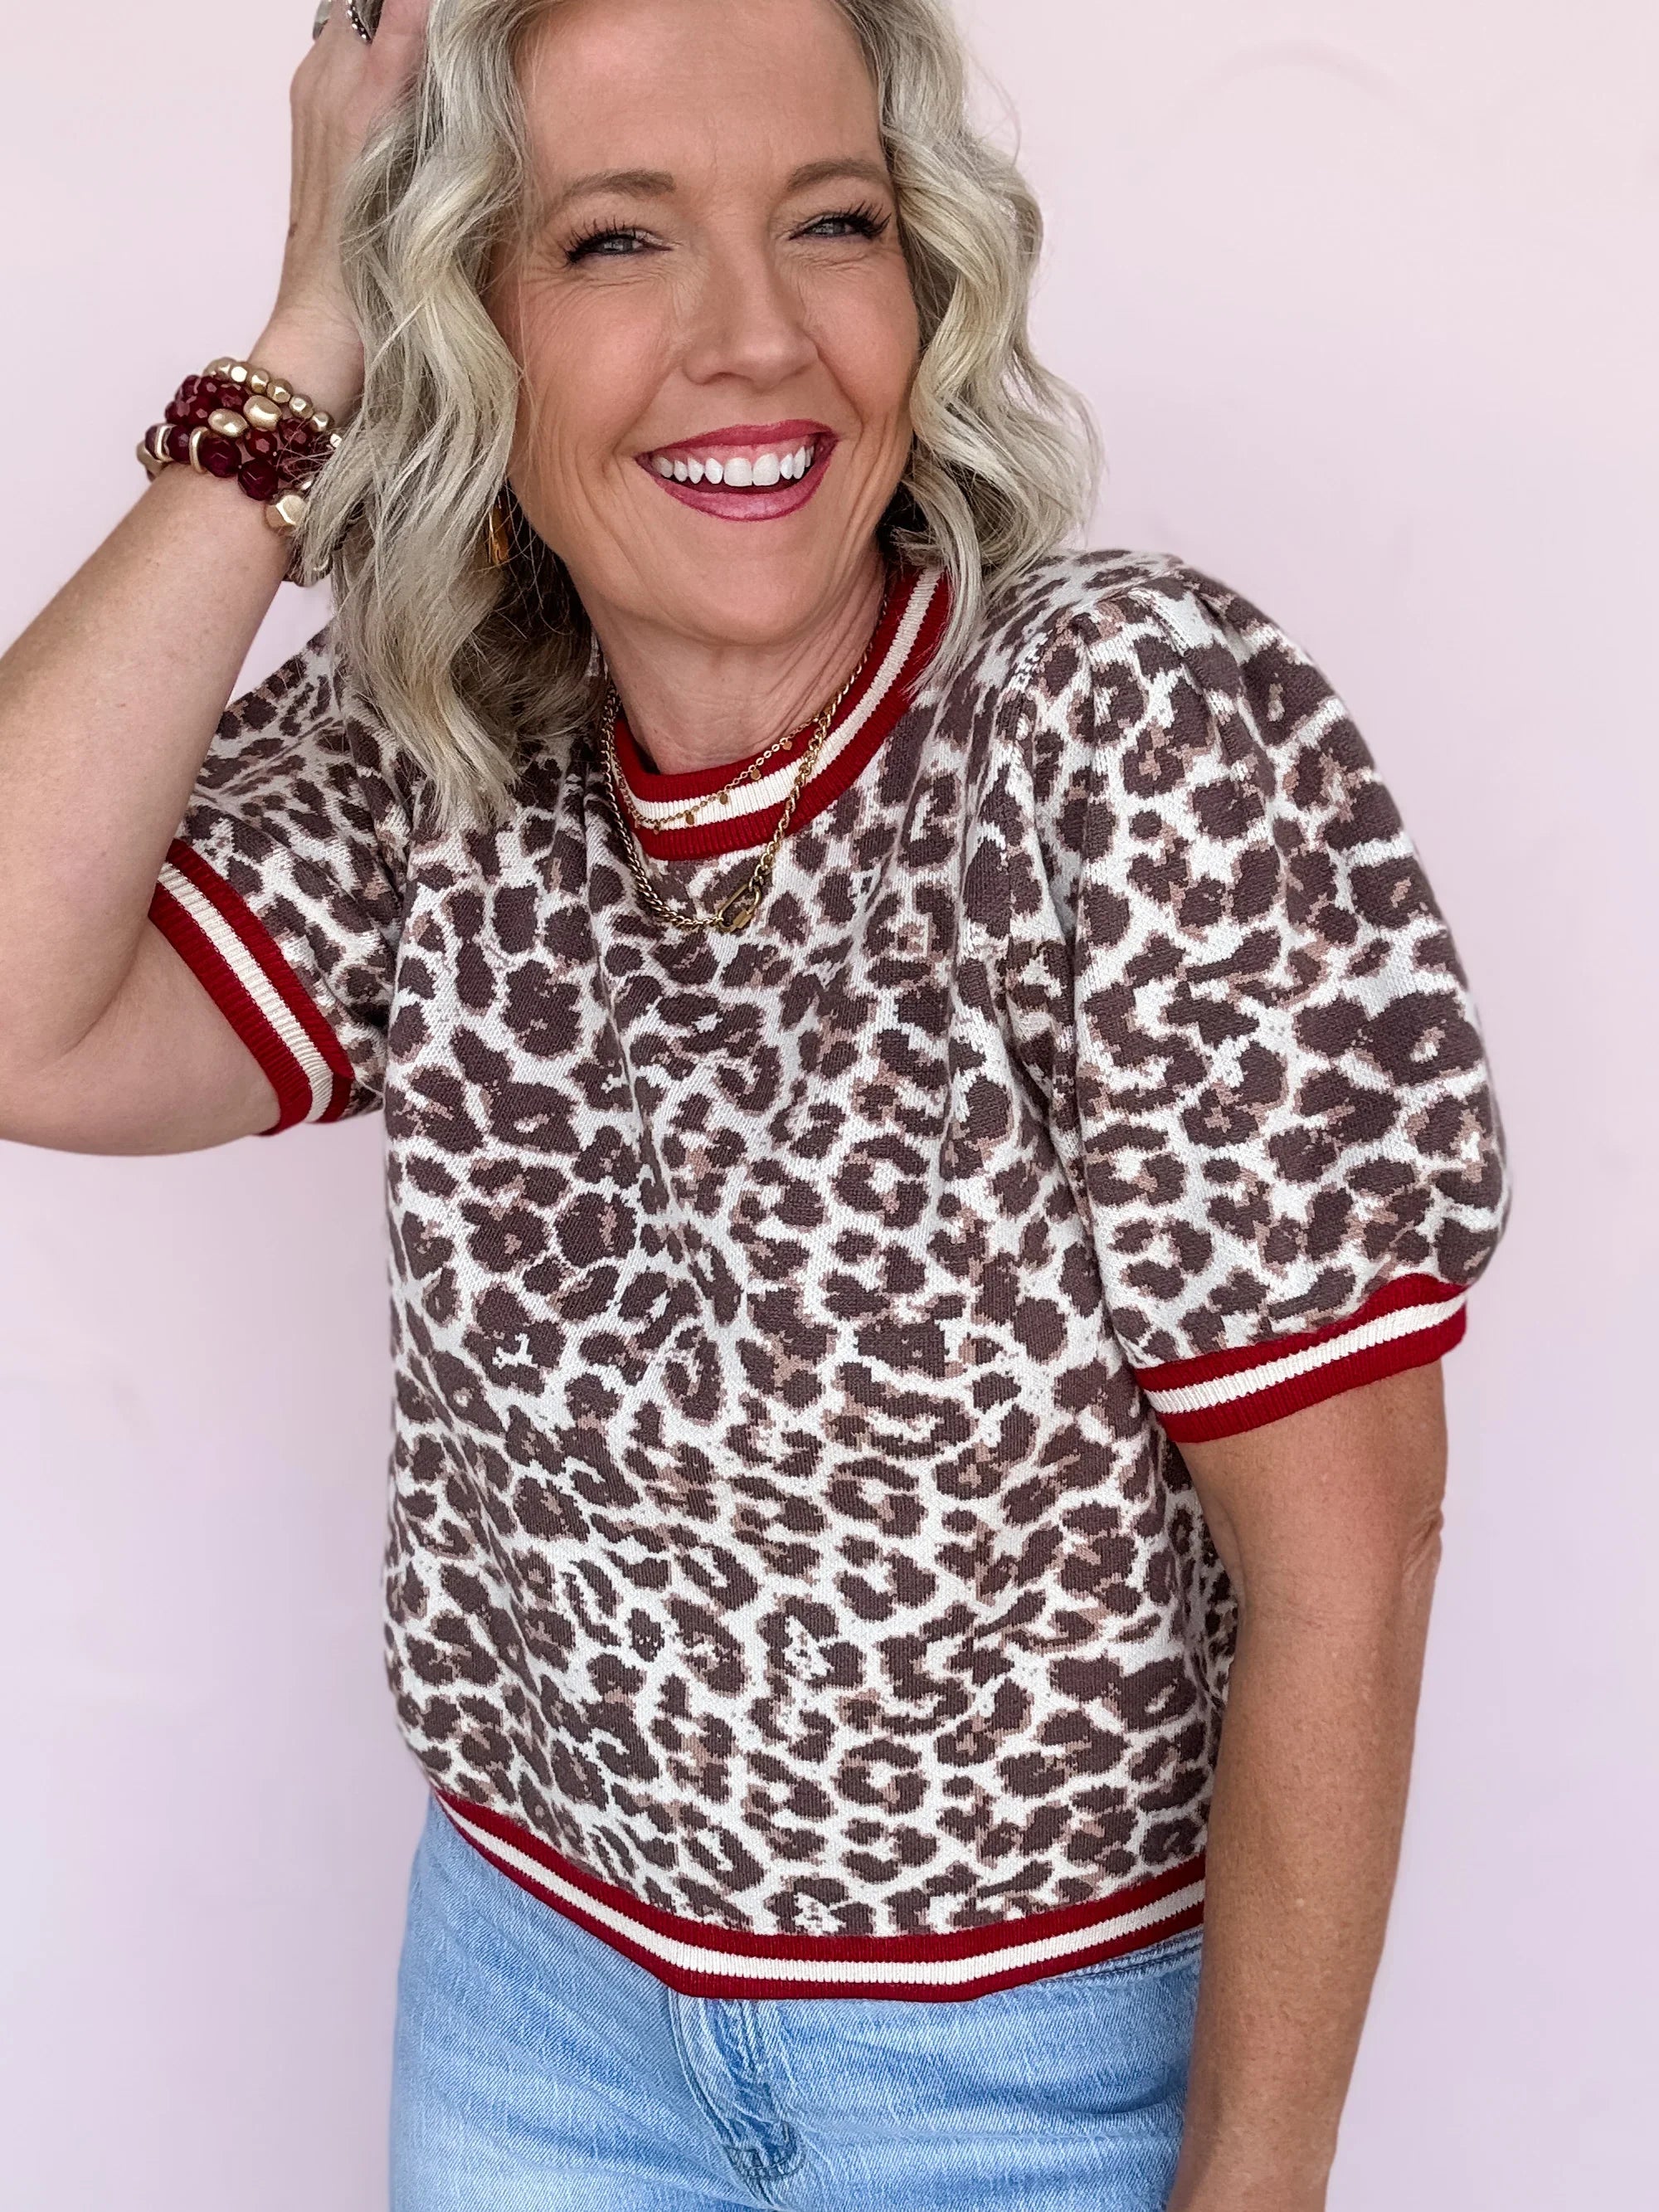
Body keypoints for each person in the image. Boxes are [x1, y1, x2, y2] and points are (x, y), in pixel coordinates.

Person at [0, 0, 1510, 2205]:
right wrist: (305, 340)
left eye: (833, 222)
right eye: (617, 238)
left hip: (1025, 2082)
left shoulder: (1123, 733)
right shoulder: (451, 743)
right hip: (534, 2020)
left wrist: (1255, 2185)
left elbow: (1350, 1563)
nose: (759, 339)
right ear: (468, 317)